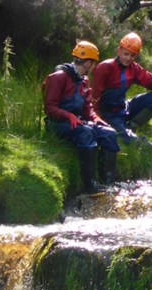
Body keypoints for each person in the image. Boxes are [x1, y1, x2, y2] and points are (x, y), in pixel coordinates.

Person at [42, 41, 120, 192]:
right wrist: (68, 115)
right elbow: (50, 108)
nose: (93, 67)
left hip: (77, 122)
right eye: (93, 64)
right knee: (86, 132)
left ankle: (108, 185)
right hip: (58, 124)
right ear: (88, 63)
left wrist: (95, 119)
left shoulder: (83, 80)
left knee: (109, 134)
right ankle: (91, 187)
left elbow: (87, 108)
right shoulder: (58, 77)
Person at [91, 32, 152, 145]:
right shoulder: (105, 67)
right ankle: (130, 135)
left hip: (124, 108)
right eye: (126, 54)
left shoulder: (134, 69)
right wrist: (96, 119)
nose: (128, 58)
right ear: (119, 51)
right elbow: (94, 96)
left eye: (132, 56)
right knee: (126, 140)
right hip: (108, 114)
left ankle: (131, 126)